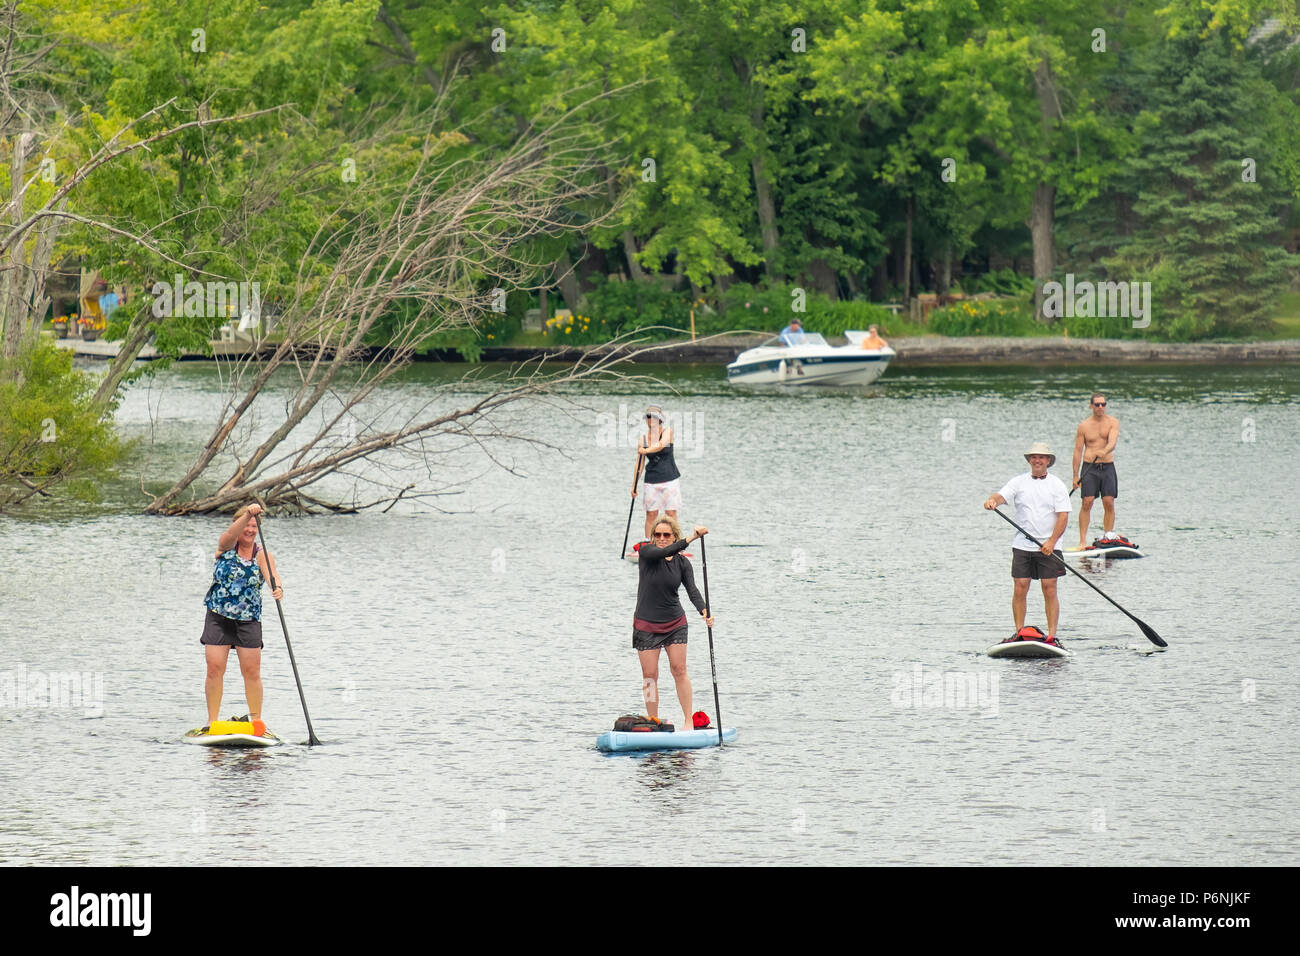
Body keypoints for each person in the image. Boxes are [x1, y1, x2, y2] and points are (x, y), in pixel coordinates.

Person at [200, 503, 283, 729]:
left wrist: (277, 587)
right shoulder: (226, 547)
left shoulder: (262, 554)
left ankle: (256, 721)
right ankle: (212, 722)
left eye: (254, 526)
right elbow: (229, 535)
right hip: (218, 615)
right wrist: (248, 512)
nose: (250, 529)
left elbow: (271, 574)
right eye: (246, 525)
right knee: (214, 668)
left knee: (252, 671)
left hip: (248, 619)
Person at [983, 443, 1071, 643]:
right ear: (1029, 460)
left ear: (1048, 461)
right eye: (1034, 457)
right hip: (1023, 544)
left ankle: (1051, 635)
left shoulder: (1057, 485)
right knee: (1020, 586)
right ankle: (1019, 632)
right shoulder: (1019, 482)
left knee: (1049, 587)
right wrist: (992, 501)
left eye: (1041, 457)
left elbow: (1063, 517)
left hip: (1050, 546)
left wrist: (1051, 541)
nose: (1037, 460)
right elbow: (1001, 495)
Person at [633, 517, 713, 728]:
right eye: (657, 535)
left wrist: (704, 611)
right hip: (646, 624)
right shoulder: (646, 553)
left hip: (675, 623)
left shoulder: (683, 563)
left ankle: (688, 721)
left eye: (666, 535)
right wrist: (693, 537)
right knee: (649, 676)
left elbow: (692, 590)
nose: (661, 538)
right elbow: (662, 553)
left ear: (674, 537)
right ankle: (653, 720)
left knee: (679, 670)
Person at [1071, 393, 1120, 549]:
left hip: (1107, 467)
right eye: (1097, 404)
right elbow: (1078, 451)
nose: (1101, 407)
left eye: (1103, 404)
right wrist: (1075, 475)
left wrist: (1104, 451)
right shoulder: (1084, 426)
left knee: (1109, 502)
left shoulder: (1113, 422)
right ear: (1091, 406)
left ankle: (1109, 536)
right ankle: (1082, 541)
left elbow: (1112, 442)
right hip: (1089, 467)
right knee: (1087, 502)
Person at [632, 404, 681, 542]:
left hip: (670, 479)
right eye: (648, 417)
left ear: (660, 420)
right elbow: (639, 464)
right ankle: (649, 542)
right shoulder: (643, 439)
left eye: (654, 417)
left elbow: (660, 445)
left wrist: (645, 451)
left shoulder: (667, 432)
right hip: (651, 481)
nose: (651, 420)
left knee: (670, 513)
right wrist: (633, 486)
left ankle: (674, 542)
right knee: (651, 514)